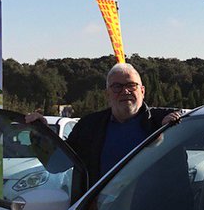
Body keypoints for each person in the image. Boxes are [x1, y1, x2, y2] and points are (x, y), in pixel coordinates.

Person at [28, 63, 182, 181]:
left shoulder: (164, 122)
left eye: (131, 85)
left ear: (142, 91)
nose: (125, 91)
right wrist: (41, 133)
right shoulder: (88, 127)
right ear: (107, 93)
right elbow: (57, 164)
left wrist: (169, 129)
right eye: (117, 87)